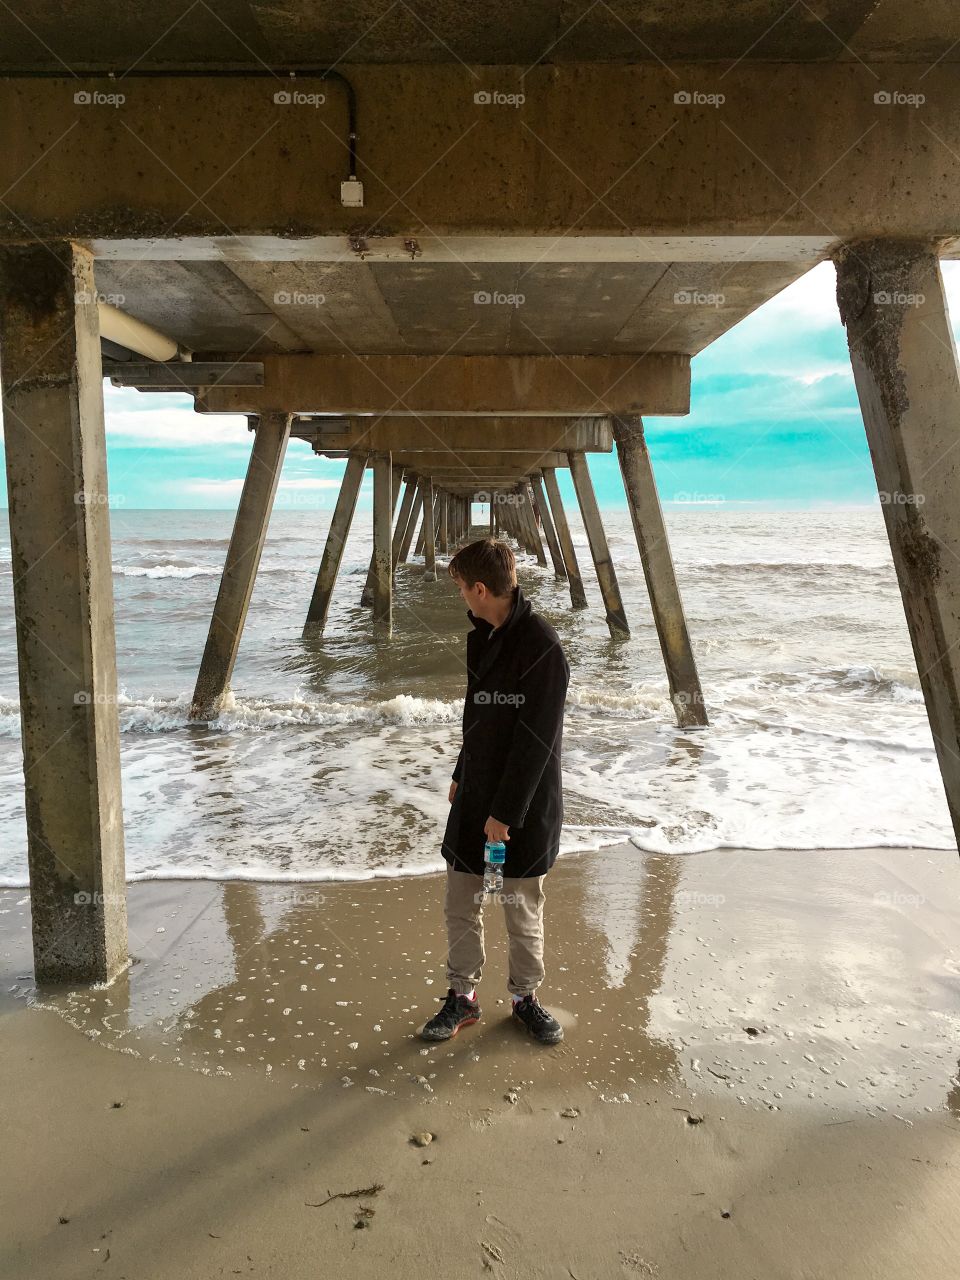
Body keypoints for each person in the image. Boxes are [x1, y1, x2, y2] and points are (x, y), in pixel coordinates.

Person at [419, 536, 570, 1046]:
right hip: (475, 792)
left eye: (462, 588)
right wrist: (463, 770)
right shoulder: (481, 635)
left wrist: (505, 813)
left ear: (481, 588)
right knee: (462, 897)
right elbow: (478, 717)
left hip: (523, 801)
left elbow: (538, 744)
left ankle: (525, 1000)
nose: (462, 597)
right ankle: (461, 997)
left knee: (519, 901)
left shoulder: (543, 647)